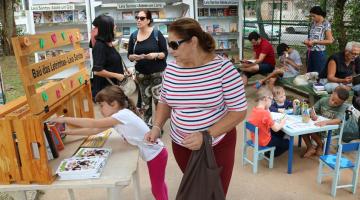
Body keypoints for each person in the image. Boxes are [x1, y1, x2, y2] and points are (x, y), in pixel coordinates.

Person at [145, 18, 247, 196]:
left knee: (215, 191)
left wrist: (206, 136)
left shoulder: (224, 69)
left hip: (216, 145)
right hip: (181, 144)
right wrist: (156, 126)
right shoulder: (171, 70)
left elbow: (238, 112)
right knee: (197, 189)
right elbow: (164, 101)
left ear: (193, 41)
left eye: (174, 44)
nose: (170, 50)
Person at [50, 86, 168, 200]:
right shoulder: (118, 117)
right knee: (160, 185)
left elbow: (93, 124)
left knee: (157, 189)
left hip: (156, 155)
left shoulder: (122, 115)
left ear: (114, 104)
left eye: (102, 106)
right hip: (157, 153)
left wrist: (65, 119)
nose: (100, 110)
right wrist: (70, 132)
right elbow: (94, 130)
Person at [127, 10, 168, 125]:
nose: (138, 20)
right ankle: (148, 125)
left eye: (142, 18)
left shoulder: (156, 34)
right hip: (141, 73)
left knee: (158, 101)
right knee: (145, 102)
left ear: (148, 20)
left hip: (157, 73)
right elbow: (129, 55)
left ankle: (158, 126)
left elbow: (165, 53)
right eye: (137, 18)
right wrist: (133, 57)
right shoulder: (134, 36)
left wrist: (155, 55)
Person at [302, 86, 349, 158]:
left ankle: (320, 145)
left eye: (336, 103)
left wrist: (325, 122)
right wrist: (313, 114)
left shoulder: (343, 106)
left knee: (311, 131)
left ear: (342, 102)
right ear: (332, 94)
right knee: (303, 129)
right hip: (319, 124)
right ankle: (310, 147)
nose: (333, 103)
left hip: (332, 128)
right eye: (332, 99)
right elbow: (313, 109)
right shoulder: (323, 100)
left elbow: (338, 120)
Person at [90, 15, 124, 99]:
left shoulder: (107, 43)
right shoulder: (100, 46)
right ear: (107, 28)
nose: (115, 26)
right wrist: (117, 75)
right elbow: (97, 71)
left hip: (112, 89)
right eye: (113, 25)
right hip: (106, 92)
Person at [248, 87, 289, 157]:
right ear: (266, 99)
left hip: (256, 138)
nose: (271, 103)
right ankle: (269, 154)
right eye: (271, 101)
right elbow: (276, 128)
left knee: (278, 134)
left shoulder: (254, 110)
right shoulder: (265, 113)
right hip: (265, 141)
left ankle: (273, 148)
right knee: (288, 143)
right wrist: (283, 122)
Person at [304, 6, 334, 73]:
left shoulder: (326, 24)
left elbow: (330, 40)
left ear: (319, 14)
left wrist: (315, 41)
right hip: (310, 51)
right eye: (311, 16)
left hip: (319, 53)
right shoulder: (312, 23)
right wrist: (307, 41)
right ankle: (311, 83)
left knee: (319, 73)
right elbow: (310, 37)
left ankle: (319, 83)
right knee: (310, 73)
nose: (312, 18)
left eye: (313, 16)